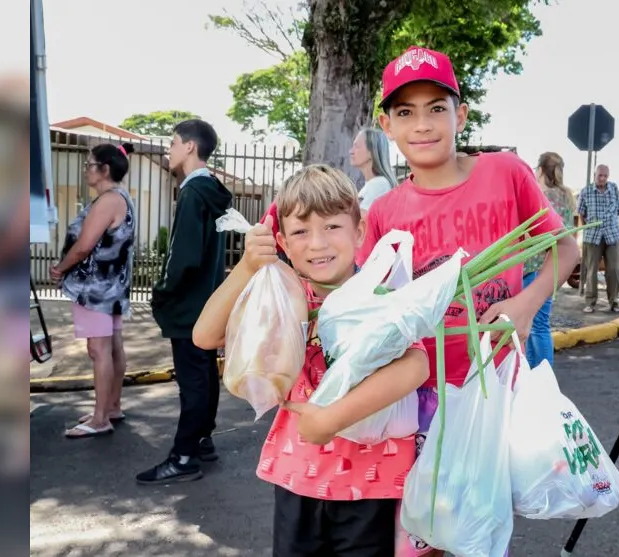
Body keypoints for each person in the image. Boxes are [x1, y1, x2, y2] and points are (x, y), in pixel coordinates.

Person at [360, 45, 579, 556]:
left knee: (477, 531)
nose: (423, 124)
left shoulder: (505, 172)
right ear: (386, 125)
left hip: (490, 389)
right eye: (405, 112)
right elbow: (372, 303)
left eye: (437, 108)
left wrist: (525, 304)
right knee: (420, 531)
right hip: (417, 397)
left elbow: (564, 248)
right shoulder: (385, 212)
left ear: (461, 114)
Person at [193, 164, 429, 556]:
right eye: (301, 231)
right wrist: (249, 268)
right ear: (282, 241)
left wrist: (332, 418)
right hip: (297, 475)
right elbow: (206, 336)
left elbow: (415, 365)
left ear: (359, 230)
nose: (317, 243)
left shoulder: (382, 293)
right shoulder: (283, 294)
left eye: (332, 227)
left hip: (372, 483)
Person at [136, 119, 233, 484]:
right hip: (206, 304)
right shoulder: (209, 191)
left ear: (190, 146)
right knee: (204, 375)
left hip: (189, 307)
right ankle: (202, 440)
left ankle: (184, 456)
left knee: (193, 380)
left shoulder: (193, 193)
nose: (169, 149)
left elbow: (182, 255)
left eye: (173, 143)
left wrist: (162, 291)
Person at [51, 142, 136, 439]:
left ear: (105, 169)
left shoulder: (108, 201)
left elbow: (84, 246)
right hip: (111, 288)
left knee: (98, 350)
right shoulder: (120, 198)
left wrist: (60, 268)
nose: (86, 170)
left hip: (96, 289)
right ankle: (110, 407)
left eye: (89, 164)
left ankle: (101, 418)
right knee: (112, 347)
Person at [522, 152, 576, 368]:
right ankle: (543, 379)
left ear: (540, 169)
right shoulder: (566, 196)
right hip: (553, 268)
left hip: (531, 267)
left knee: (528, 324)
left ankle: (535, 377)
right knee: (541, 325)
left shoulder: (538, 195)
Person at [577, 164, 619, 313]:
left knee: (615, 269)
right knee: (591, 270)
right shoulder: (586, 192)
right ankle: (590, 302)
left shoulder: (614, 189)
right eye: (600, 176)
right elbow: (581, 214)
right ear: (594, 175)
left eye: (605, 176)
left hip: (612, 235)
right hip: (593, 236)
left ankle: (614, 301)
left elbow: (618, 211)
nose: (602, 178)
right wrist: (587, 229)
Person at [349, 128, 398, 211]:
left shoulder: (379, 184)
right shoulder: (375, 184)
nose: (351, 151)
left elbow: (359, 222)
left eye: (356, 146)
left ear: (371, 152)